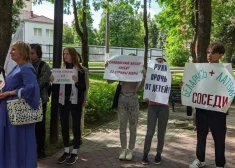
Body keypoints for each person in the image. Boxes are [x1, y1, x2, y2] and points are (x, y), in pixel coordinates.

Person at [0, 41, 40, 168]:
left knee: (18, 142)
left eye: (14, 50)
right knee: (10, 141)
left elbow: (31, 89)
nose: (11, 52)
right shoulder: (16, 67)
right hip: (8, 112)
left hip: (18, 114)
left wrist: (9, 93)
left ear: (22, 52)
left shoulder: (27, 67)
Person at [189, 42, 226, 168]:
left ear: (220, 55)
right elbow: (194, 85)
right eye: (208, 52)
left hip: (218, 111)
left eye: (213, 53)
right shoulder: (201, 69)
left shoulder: (225, 71)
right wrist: (185, 87)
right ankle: (200, 160)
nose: (209, 55)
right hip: (202, 109)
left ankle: (220, 164)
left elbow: (229, 90)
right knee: (201, 137)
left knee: (219, 138)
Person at [106, 53, 146, 161]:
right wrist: (108, 69)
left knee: (133, 126)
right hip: (122, 98)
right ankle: (123, 149)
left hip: (133, 98)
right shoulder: (122, 69)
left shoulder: (137, 71)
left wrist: (144, 76)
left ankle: (131, 149)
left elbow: (139, 87)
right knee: (122, 125)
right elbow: (109, 81)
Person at [50, 47, 86, 165]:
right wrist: (53, 81)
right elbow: (54, 90)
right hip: (63, 102)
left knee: (75, 127)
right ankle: (66, 151)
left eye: (68, 54)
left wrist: (77, 82)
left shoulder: (80, 70)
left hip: (75, 103)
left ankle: (74, 152)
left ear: (73, 55)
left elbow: (83, 88)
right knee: (64, 126)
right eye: (64, 54)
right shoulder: (61, 70)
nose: (65, 56)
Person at [141, 57, 170, 165]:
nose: (159, 64)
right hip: (152, 107)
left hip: (164, 107)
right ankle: (145, 154)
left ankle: (158, 154)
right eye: (157, 62)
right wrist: (145, 75)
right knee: (149, 132)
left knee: (161, 133)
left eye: (161, 62)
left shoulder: (168, 76)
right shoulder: (150, 76)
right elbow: (147, 86)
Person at [30, 44, 51, 159]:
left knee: (40, 125)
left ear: (38, 54)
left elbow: (40, 83)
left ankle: (41, 149)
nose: (29, 55)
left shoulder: (44, 66)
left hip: (40, 100)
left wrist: (27, 89)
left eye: (32, 53)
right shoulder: (26, 64)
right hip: (27, 99)